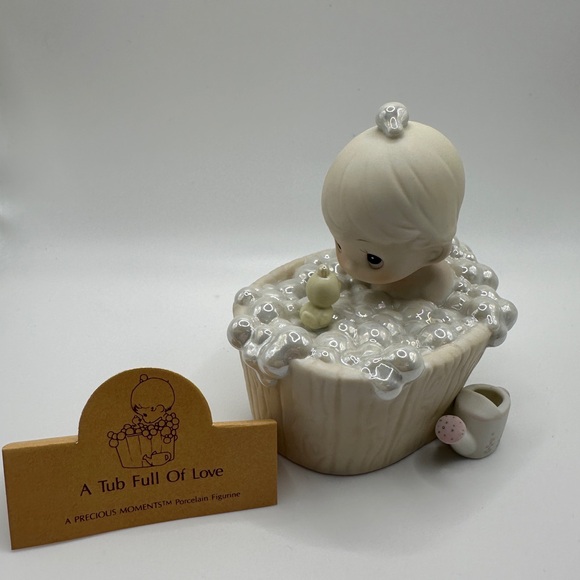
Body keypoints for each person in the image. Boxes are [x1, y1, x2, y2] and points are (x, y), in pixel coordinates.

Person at [321, 102, 465, 305]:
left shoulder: (431, 292)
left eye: (373, 259)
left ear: (434, 253)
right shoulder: (364, 273)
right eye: (339, 245)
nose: (348, 265)